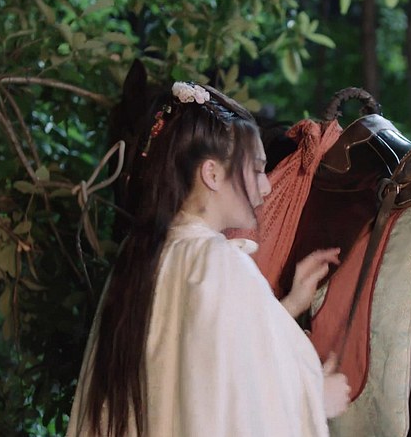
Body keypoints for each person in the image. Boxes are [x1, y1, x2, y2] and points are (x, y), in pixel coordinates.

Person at [67, 81, 350, 436]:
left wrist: (290, 304)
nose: (266, 186)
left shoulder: (141, 254)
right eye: (256, 169)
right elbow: (236, 404)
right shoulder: (218, 263)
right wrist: (316, 399)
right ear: (212, 174)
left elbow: (196, 360)